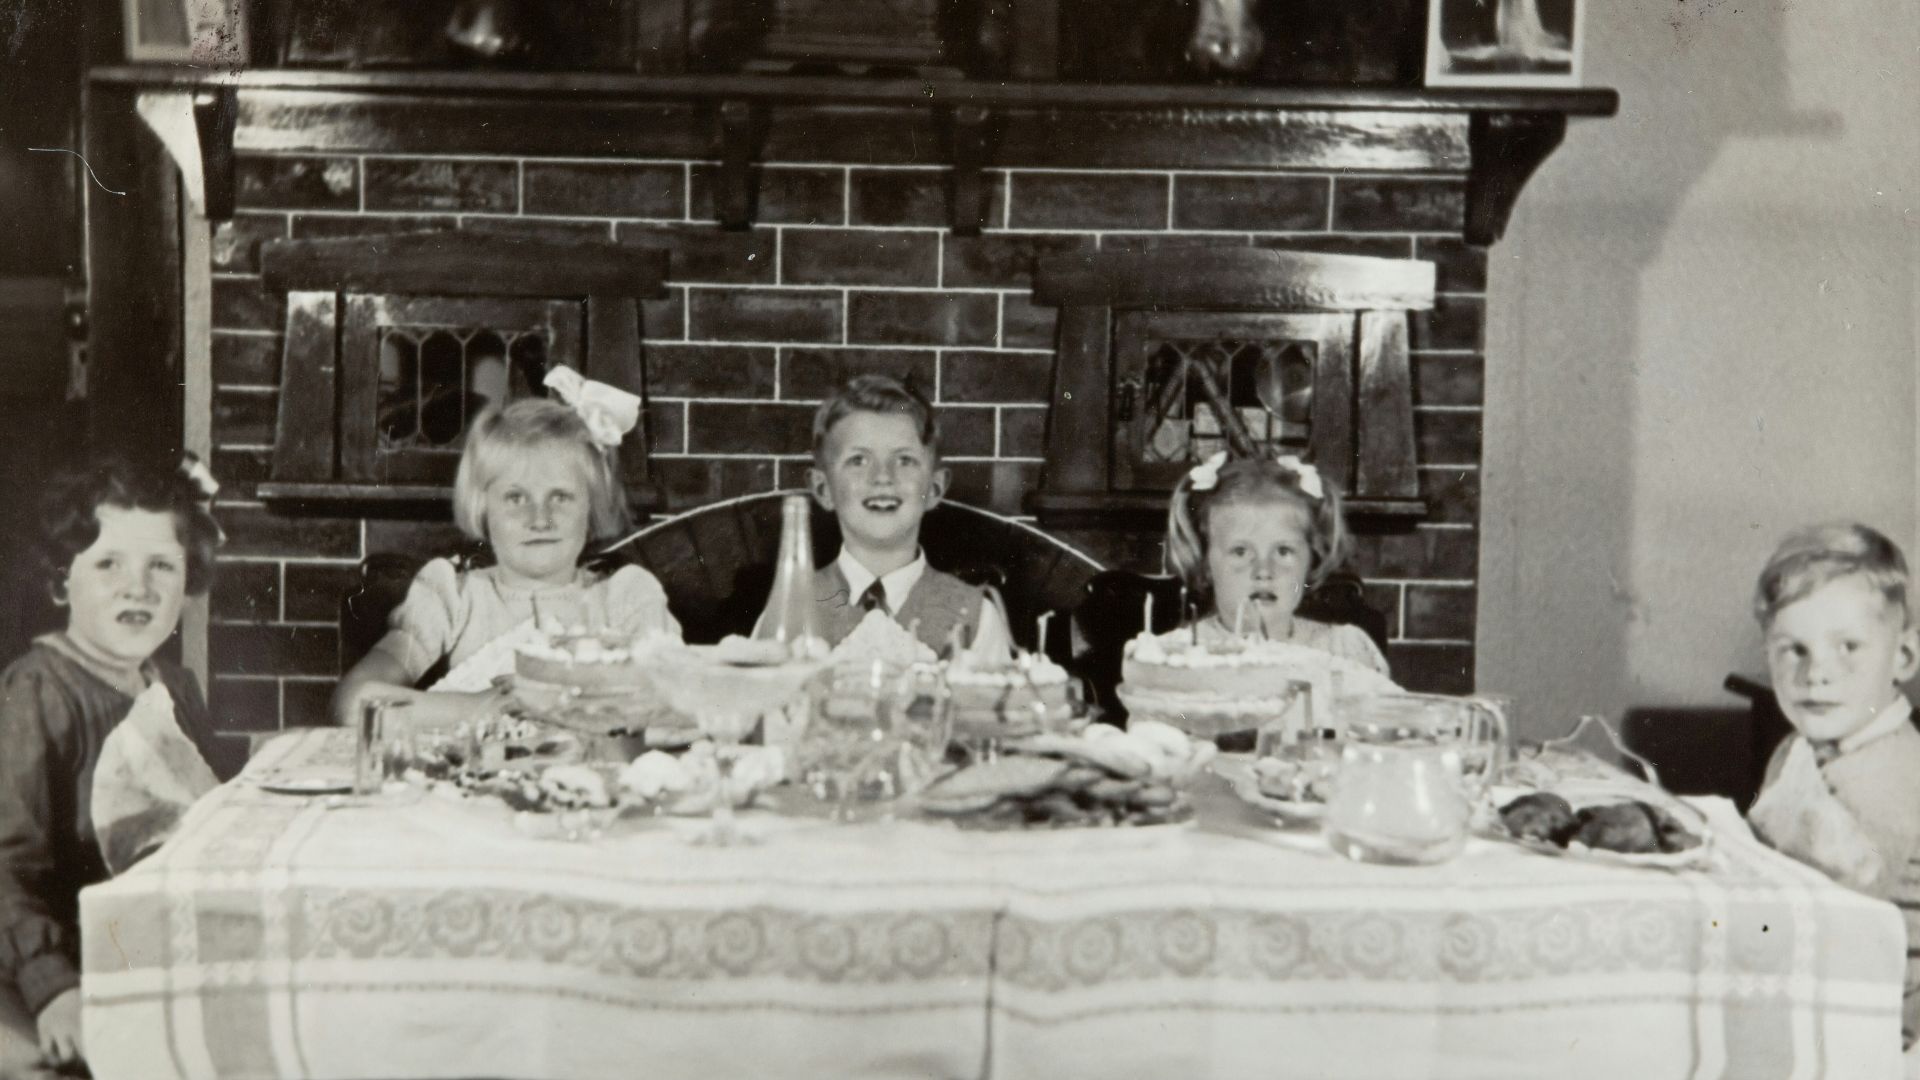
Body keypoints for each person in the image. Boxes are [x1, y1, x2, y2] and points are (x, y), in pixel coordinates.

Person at [0, 453, 237, 1080]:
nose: (140, 587)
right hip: (50, 970)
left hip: (152, 954)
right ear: (59, 582)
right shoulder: (36, 693)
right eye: (109, 564)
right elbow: (6, 867)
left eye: (162, 565)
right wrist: (52, 986)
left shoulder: (175, 686)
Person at [331, 367, 678, 726]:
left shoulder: (626, 598)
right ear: (484, 506)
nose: (539, 518)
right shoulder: (452, 596)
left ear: (592, 506)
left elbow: (682, 704)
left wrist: (566, 704)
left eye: (560, 496)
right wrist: (486, 706)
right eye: (515, 498)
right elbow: (356, 703)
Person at [1745, 522, 1920, 1049]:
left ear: (1903, 658)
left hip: (1886, 1032)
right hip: (1811, 989)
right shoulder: (1795, 750)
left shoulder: (1894, 777)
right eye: (1793, 649)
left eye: (1848, 647)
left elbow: (1826, 932)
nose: (1817, 673)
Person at [807, 374, 1007, 654]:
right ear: (823, 488)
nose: (883, 477)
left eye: (905, 460)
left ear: (935, 488)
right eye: (858, 460)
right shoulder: (791, 608)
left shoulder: (976, 618)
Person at [1164, 449, 1391, 676]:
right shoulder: (1178, 658)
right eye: (1240, 551)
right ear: (1205, 563)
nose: (1264, 571)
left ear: (1311, 559)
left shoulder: (1343, 651)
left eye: (1283, 551)